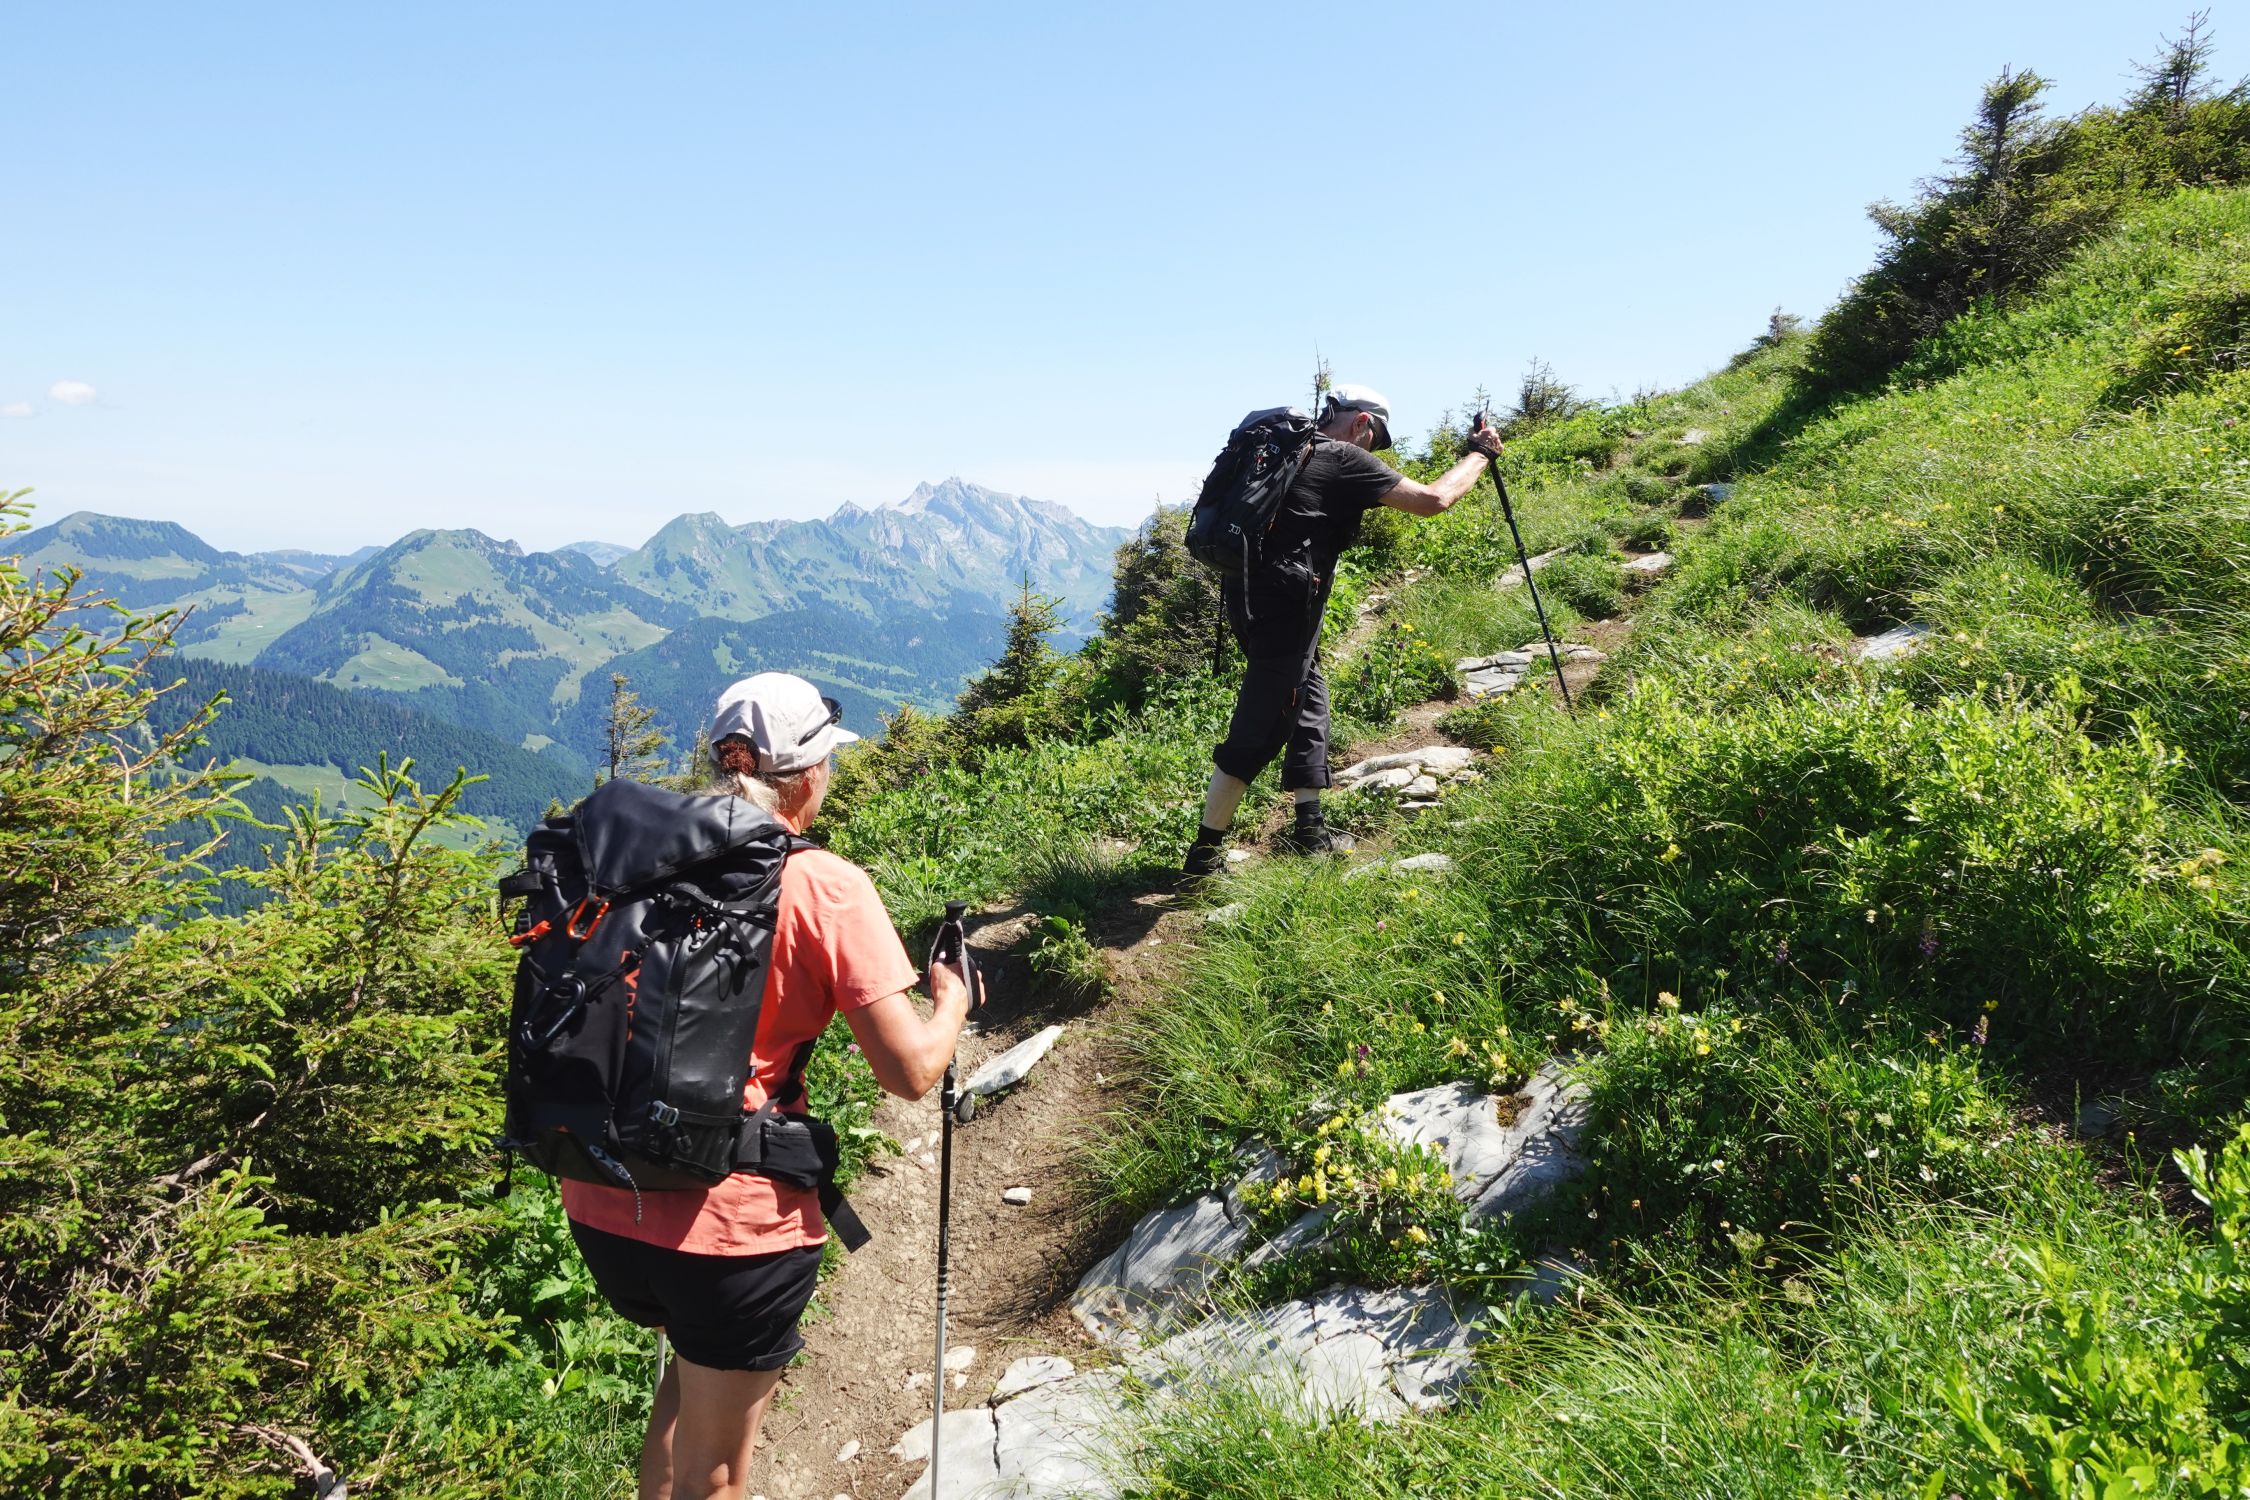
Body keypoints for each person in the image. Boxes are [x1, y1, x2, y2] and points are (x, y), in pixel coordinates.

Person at [561, 671, 972, 1500]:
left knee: (684, 1406)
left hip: (604, 1199)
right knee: (716, 1475)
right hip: (732, 1229)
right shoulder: (824, 885)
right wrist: (953, 1000)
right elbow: (910, 1073)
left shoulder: (636, 862)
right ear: (809, 774)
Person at [1183, 385, 1505, 877]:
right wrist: (1481, 454)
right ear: (1361, 424)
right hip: (1287, 611)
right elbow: (1435, 499)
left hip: (1247, 598)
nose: (1375, 450)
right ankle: (1203, 857)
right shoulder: (1342, 458)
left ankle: (1310, 829)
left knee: (1309, 696)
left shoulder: (1292, 453)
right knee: (1261, 723)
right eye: (1377, 440)